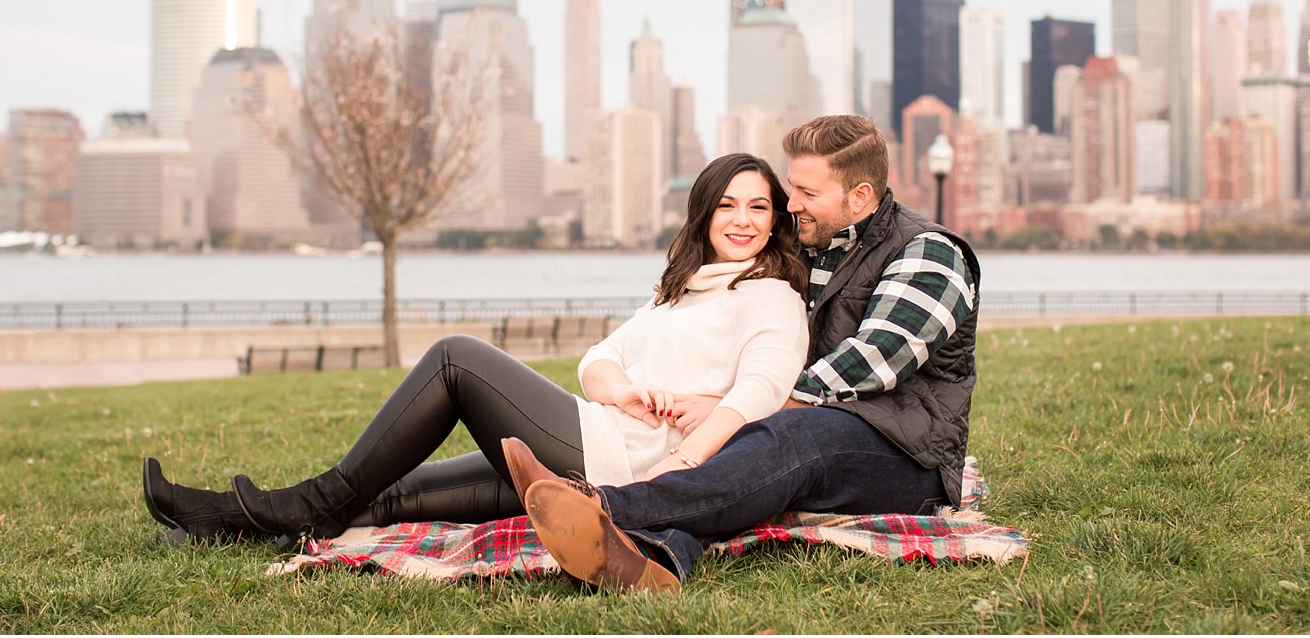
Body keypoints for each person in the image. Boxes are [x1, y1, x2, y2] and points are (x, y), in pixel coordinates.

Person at [141, 152, 809, 547]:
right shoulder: (681, 289)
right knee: (398, 496)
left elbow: (763, 391)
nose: (744, 220)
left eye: (758, 207)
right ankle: (223, 521)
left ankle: (307, 503)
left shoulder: (771, 296)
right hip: (601, 433)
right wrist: (627, 390)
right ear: (704, 213)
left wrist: (686, 466)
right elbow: (596, 360)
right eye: (728, 206)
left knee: (457, 358)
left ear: (775, 218)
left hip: (625, 467)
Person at [503, 114, 982, 593]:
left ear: (859, 196)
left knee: (787, 437)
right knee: (752, 458)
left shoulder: (929, 254)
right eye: (792, 188)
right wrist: (726, 403)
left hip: (906, 453)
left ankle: (604, 508)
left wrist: (737, 407)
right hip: (805, 419)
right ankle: (651, 556)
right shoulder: (812, 240)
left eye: (807, 194)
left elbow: (869, 362)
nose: (790, 205)